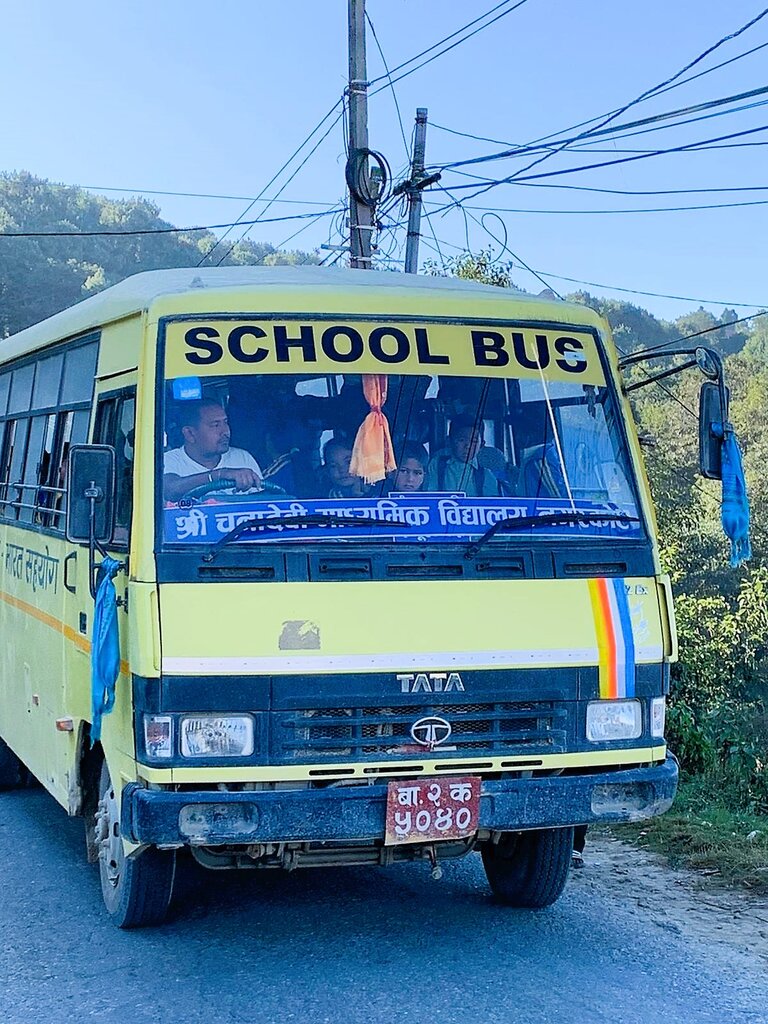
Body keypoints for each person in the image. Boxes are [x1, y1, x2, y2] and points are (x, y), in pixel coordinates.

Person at [163, 398, 263, 503]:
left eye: (226, 422)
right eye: (215, 425)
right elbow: (170, 490)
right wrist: (219, 475)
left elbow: (261, 501)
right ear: (190, 434)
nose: (226, 432)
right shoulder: (169, 460)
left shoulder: (242, 458)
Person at [425, 415, 499, 497]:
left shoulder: (486, 474)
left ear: (481, 444)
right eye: (461, 440)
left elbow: (490, 505)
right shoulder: (437, 465)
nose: (468, 446)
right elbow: (430, 496)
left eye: (474, 441)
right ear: (450, 441)